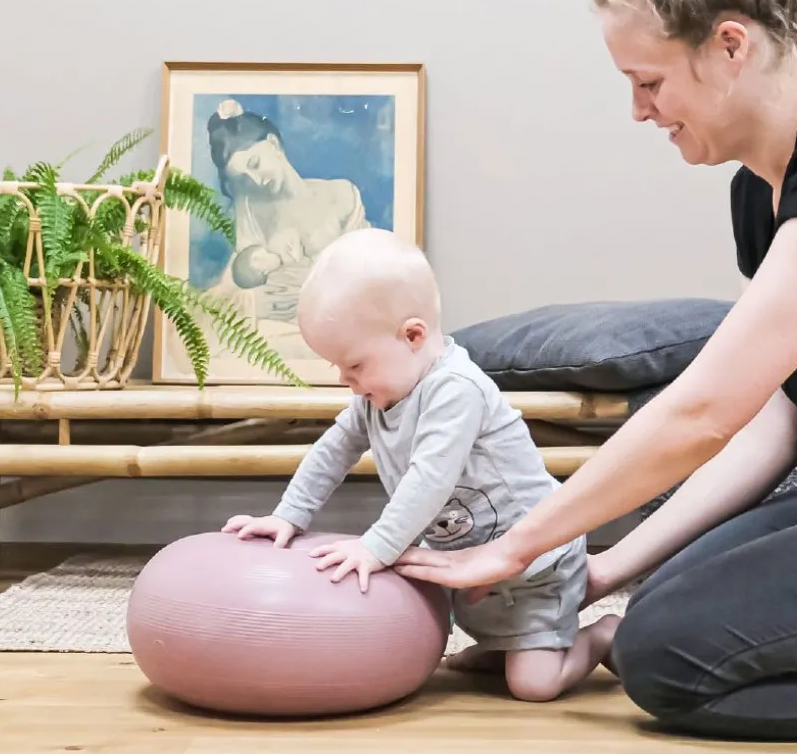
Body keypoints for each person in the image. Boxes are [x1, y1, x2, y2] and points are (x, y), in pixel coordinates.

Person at [395, 0, 797, 742]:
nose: (638, 110)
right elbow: (771, 424)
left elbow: (699, 411)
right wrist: (602, 566)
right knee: (655, 602)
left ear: (729, 45)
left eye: (649, 81)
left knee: (666, 655)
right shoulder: (760, 188)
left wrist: (519, 543)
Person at [221, 227, 620, 702]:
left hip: (536, 563)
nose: (347, 382)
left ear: (412, 335)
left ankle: (602, 634)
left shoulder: (456, 390)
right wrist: (289, 515)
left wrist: (377, 547)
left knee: (534, 686)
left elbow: (430, 478)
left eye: (354, 365)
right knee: (478, 646)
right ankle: (508, 645)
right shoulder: (378, 397)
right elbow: (333, 449)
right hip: (471, 561)